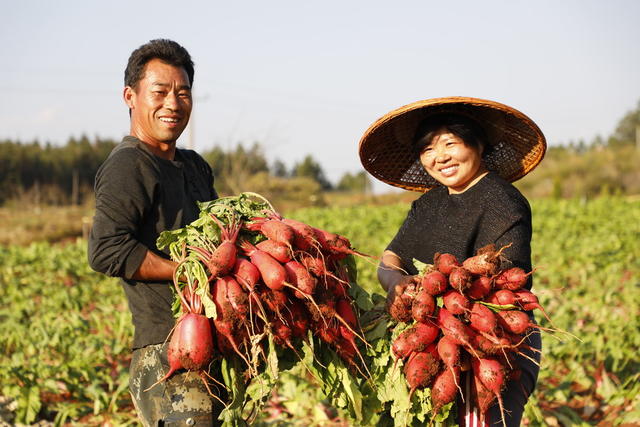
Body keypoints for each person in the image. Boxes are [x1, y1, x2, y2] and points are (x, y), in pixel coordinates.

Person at [358, 97, 547, 426]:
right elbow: (391, 258)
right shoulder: (428, 204)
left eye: (450, 143)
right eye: (428, 149)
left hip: (491, 344)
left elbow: (500, 284)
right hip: (430, 340)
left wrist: (444, 300)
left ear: (479, 143)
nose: (439, 157)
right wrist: (397, 284)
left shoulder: (503, 200)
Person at [88, 39, 219, 426]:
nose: (173, 104)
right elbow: (107, 251)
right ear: (130, 96)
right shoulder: (129, 165)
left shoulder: (195, 166)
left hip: (212, 337)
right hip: (168, 348)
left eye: (183, 93)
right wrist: (186, 268)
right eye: (160, 92)